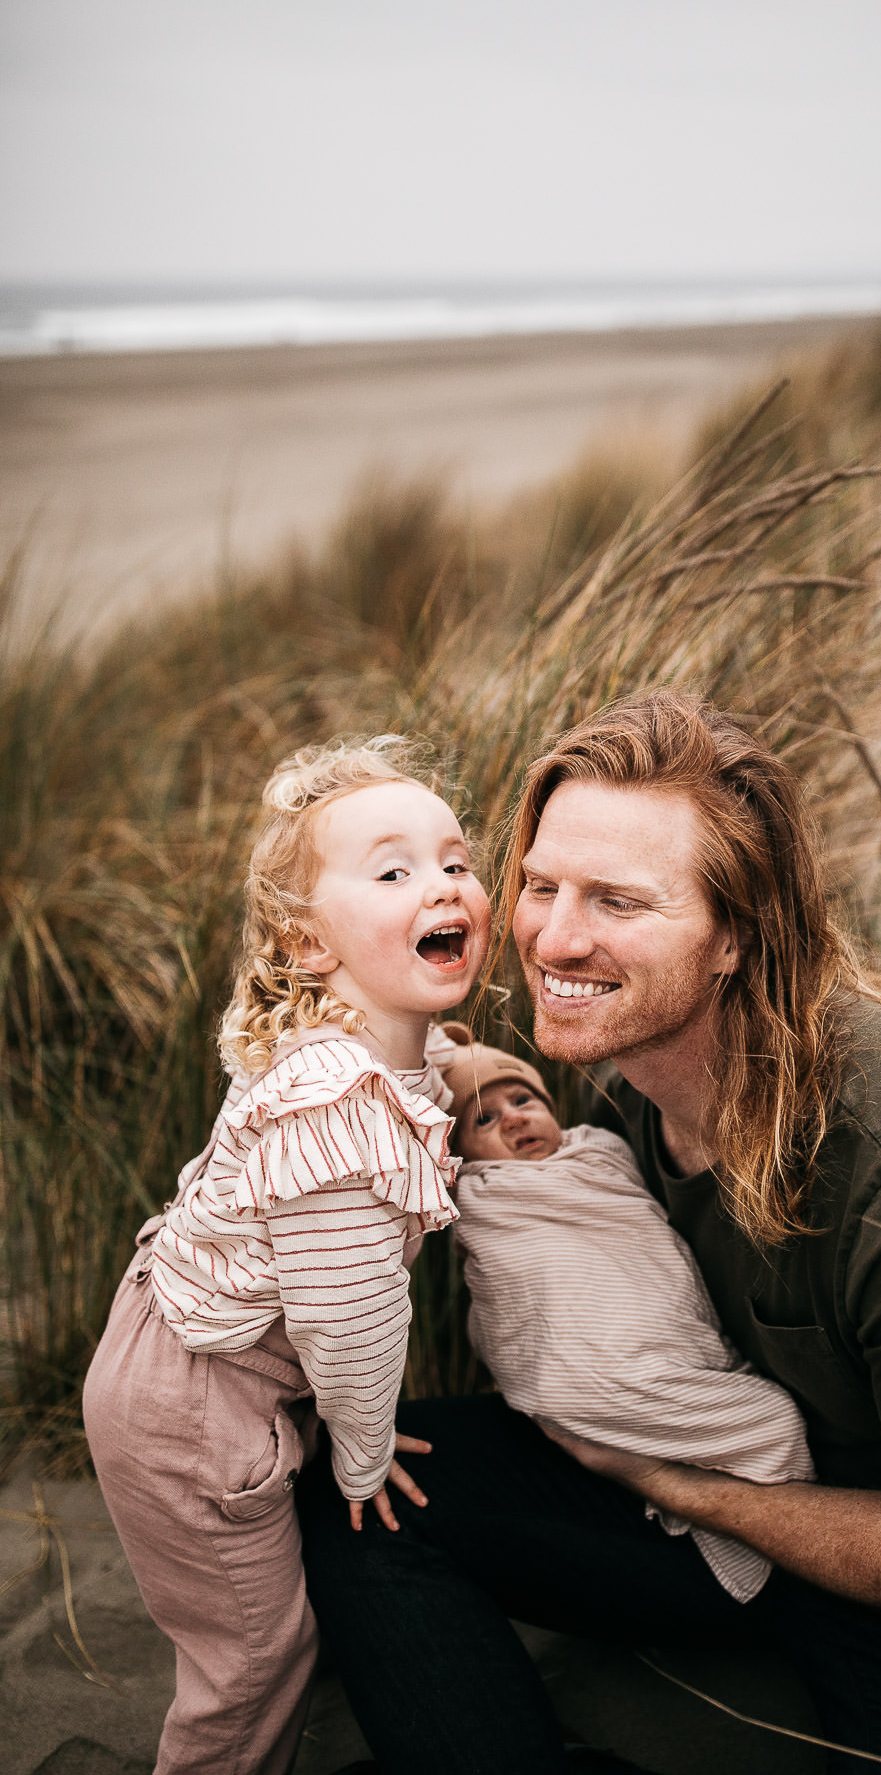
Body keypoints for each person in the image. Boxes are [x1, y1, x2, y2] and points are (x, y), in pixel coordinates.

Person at [298, 692, 881, 1775]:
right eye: (542, 885)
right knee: (366, 1496)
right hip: (721, 1503)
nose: (554, 934)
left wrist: (678, 1486)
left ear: (737, 934)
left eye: (620, 902)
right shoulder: (629, 1089)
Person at [83, 735, 491, 1775]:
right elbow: (348, 1328)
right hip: (193, 1408)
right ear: (310, 945)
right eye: (393, 872)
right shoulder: (340, 1130)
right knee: (258, 1654)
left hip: (188, 1352)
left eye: (455, 861)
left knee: (263, 1617)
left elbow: (426, 1056)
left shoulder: (356, 1035)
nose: (442, 884)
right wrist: (364, 1452)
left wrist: (470, 1060)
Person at [443, 1027, 813, 1603]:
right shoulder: (479, 1196)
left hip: (663, 1343)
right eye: (484, 1121)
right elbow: (514, 1297)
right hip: (584, 1373)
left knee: (772, 1418)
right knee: (770, 1422)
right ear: (459, 1155)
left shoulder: (599, 1154)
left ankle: (743, 1516)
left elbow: (642, 1247)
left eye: (523, 1100)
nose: (514, 1119)